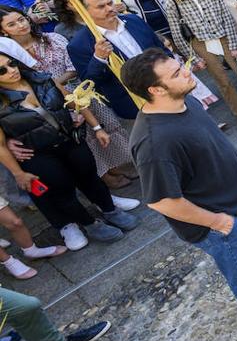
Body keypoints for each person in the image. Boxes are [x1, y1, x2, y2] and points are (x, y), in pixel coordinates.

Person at [124, 49, 237, 341]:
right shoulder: (154, 143)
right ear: (155, 90)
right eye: (176, 74)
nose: (187, 72)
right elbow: (161, 201)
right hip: (220, 222)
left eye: (181, 66)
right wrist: (219, 222)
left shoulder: (187, 102)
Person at [0, 54, 139, 250]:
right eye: (2, 70)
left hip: (69, 139)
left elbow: (74, 101)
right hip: (38, 154)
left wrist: (97, 128)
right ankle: (91, 225)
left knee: (90, 177)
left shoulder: (42, 79)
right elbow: (1, 146)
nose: (11, 70)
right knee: (62, 191)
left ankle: (109, 210)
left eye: (11, 63)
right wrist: (18, 173)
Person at [66, 0, 167, 121]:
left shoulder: (134, 20)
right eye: (101, 6)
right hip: (136, 105)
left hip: (167, 89)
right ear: (85, 12)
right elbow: (90, 83)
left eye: (110, 3)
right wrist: (98, 59)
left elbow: (161, 49)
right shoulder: (79, 44)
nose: (109, 8)